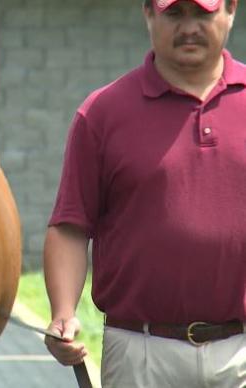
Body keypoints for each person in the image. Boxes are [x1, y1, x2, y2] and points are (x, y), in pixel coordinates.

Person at [42, 0, 245, 386]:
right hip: (140, 353)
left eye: (202, 13)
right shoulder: (102, 113)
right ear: (148, 13)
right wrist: (63, 311)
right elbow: (70, 226)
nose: (189, 27)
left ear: (231, 10)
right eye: (174, 14)